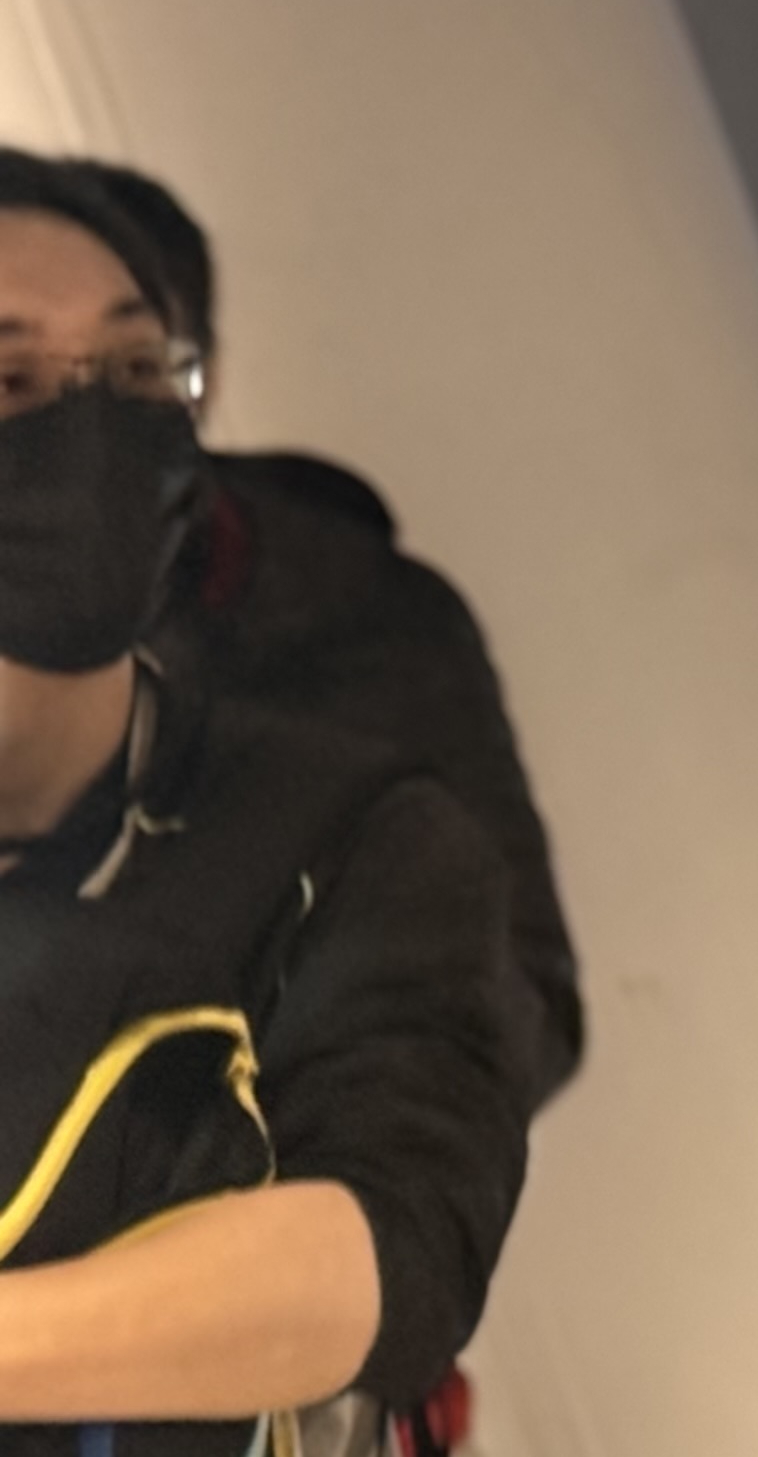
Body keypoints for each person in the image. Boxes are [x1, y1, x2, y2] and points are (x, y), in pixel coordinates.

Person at [0, 155, 530, 1457]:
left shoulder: (348, 713)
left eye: (132, 370)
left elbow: (394, 1225)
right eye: (13, 373)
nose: (77, 424)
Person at [75, 164, 578, 1102]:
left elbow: (525, 1006)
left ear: (201, 377)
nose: (73, 425)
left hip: (275, 1216)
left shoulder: (370, 624)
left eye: (130, 368)